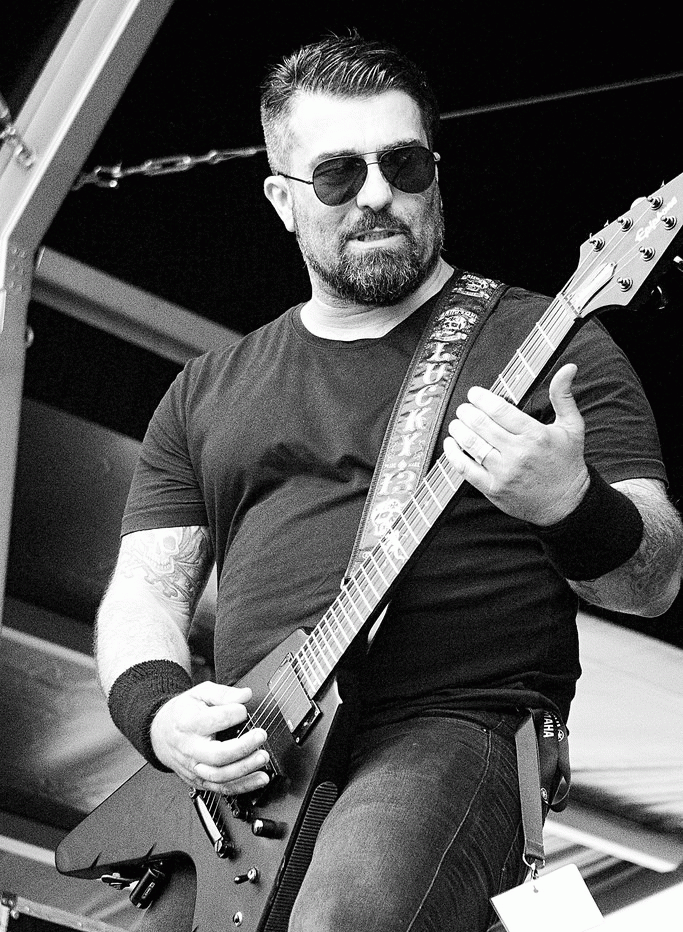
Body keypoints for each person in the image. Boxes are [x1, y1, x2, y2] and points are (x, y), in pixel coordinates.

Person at [95, 33, 683, 932]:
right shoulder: (206, 388)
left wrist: (571, 506)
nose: (376, 194)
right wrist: (159, 712)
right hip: (256, 767)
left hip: (455, 724)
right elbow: (145, 586)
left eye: (402, 164)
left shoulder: (551, 343)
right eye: (338, 174)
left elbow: (653, 580)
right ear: (283, 199)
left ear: (434, 174)